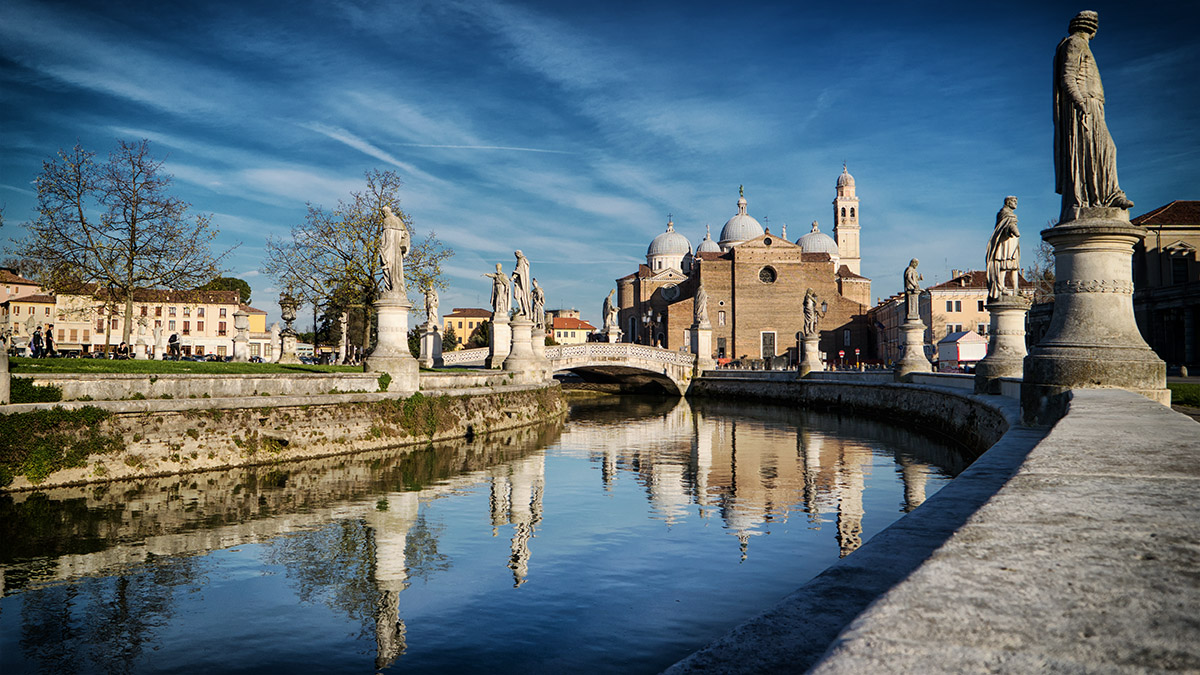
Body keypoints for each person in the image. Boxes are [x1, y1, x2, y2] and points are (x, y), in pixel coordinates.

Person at [1053, 10, 1133, 223]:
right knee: (1099, 150)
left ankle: (1107, 196)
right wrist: (1080, 103)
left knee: (1103, 150)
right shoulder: (1074, 43)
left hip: (1092, 104)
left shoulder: (1080, 44)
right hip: (1084, 105)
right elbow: (1067, 78)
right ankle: (1099, 197)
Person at [986, 196, 1021, 300]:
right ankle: (1000, 287)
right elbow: (1007, 226)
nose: (1015, 204)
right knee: (1003, 266)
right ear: (1008, 202)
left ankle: (1016, 289)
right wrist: (1015, 231)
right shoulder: (1004, 213)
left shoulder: (1011, 215)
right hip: (1005, 245)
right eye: (1013, 201)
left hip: (1013, 245)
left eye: (1016, 202)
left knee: (1014, 267)